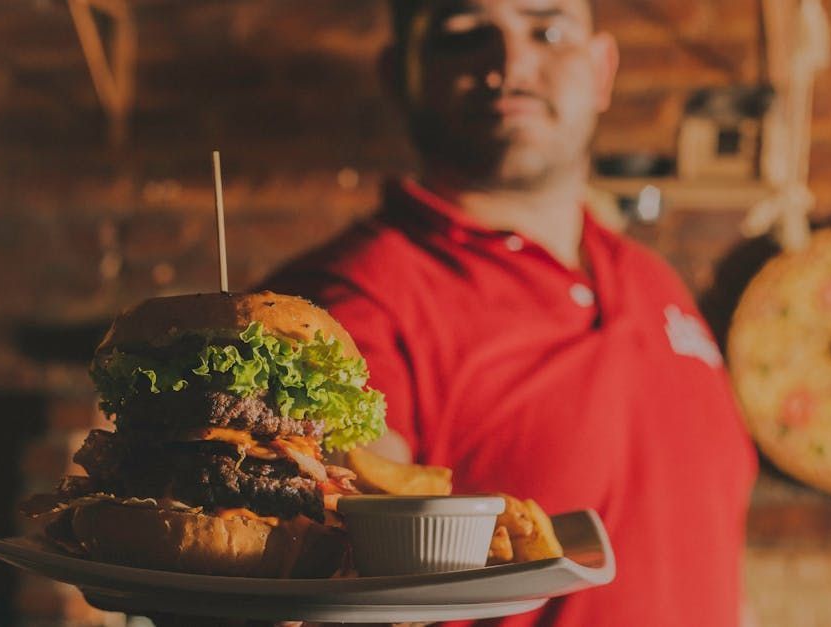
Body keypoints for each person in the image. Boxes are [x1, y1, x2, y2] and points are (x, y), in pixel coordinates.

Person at [261, 1, 758, 625]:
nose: (512, 62)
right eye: (463, 35)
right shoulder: (348, 300)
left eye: (547, 30)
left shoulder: (654, 280)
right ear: (399, 75)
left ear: (602, 70)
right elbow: (328, 573)